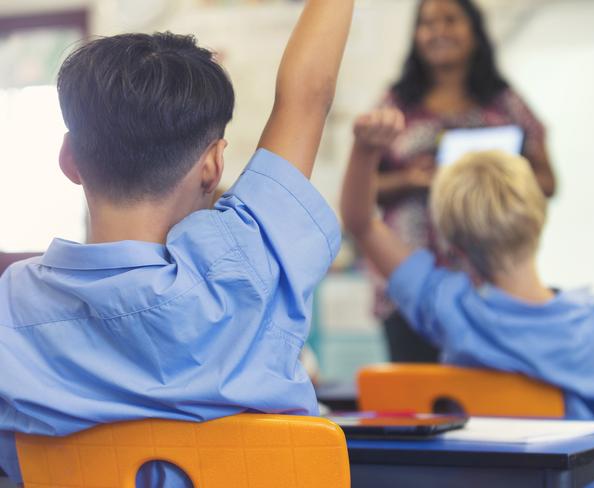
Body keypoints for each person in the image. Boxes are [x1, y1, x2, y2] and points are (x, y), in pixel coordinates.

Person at [0, 0, 354, 484]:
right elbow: (307, 95)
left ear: (69, 159)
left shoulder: (10, 309)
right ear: (213, 166)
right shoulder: (249, 262)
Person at [341, 107, 594, 422]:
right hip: (576, 473)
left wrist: (366, 149)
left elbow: (361, 223)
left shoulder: (450, 309)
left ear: (456, 248)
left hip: (486, 472)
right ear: (538, 220)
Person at [369, 0, 556, 363]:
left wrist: (495, 175)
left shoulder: (504, 102)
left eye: (450, 20)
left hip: (489, 281)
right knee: (415, 403)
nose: (438, 31)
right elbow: (363, 187)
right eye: (427, 23)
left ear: (474, 31)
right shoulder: (395, 103)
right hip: (408, 282)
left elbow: (548, 181)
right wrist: (411, 179)